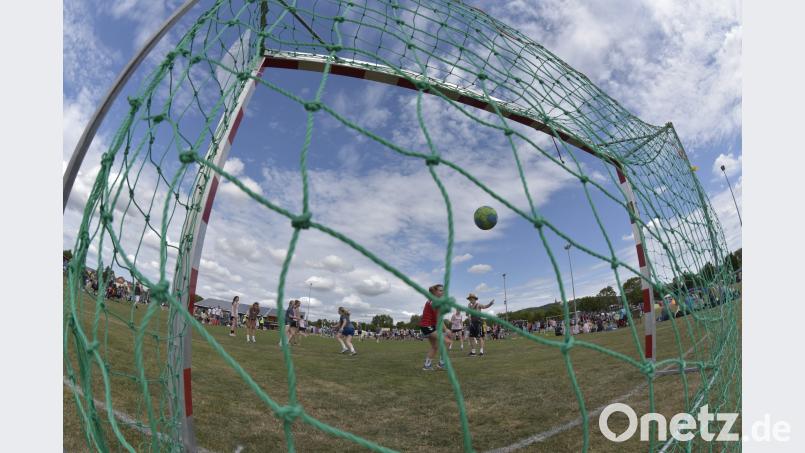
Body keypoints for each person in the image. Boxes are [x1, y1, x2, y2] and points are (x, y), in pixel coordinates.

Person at [419, 284, 453, 370]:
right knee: (447, 341)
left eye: (443, 290)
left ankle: (427, 366)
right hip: (427, 326)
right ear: (435, 292)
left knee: (435, 346)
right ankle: (441, 364)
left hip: (430, 326)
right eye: (440, 290)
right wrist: (446, 330)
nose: (443, 292)